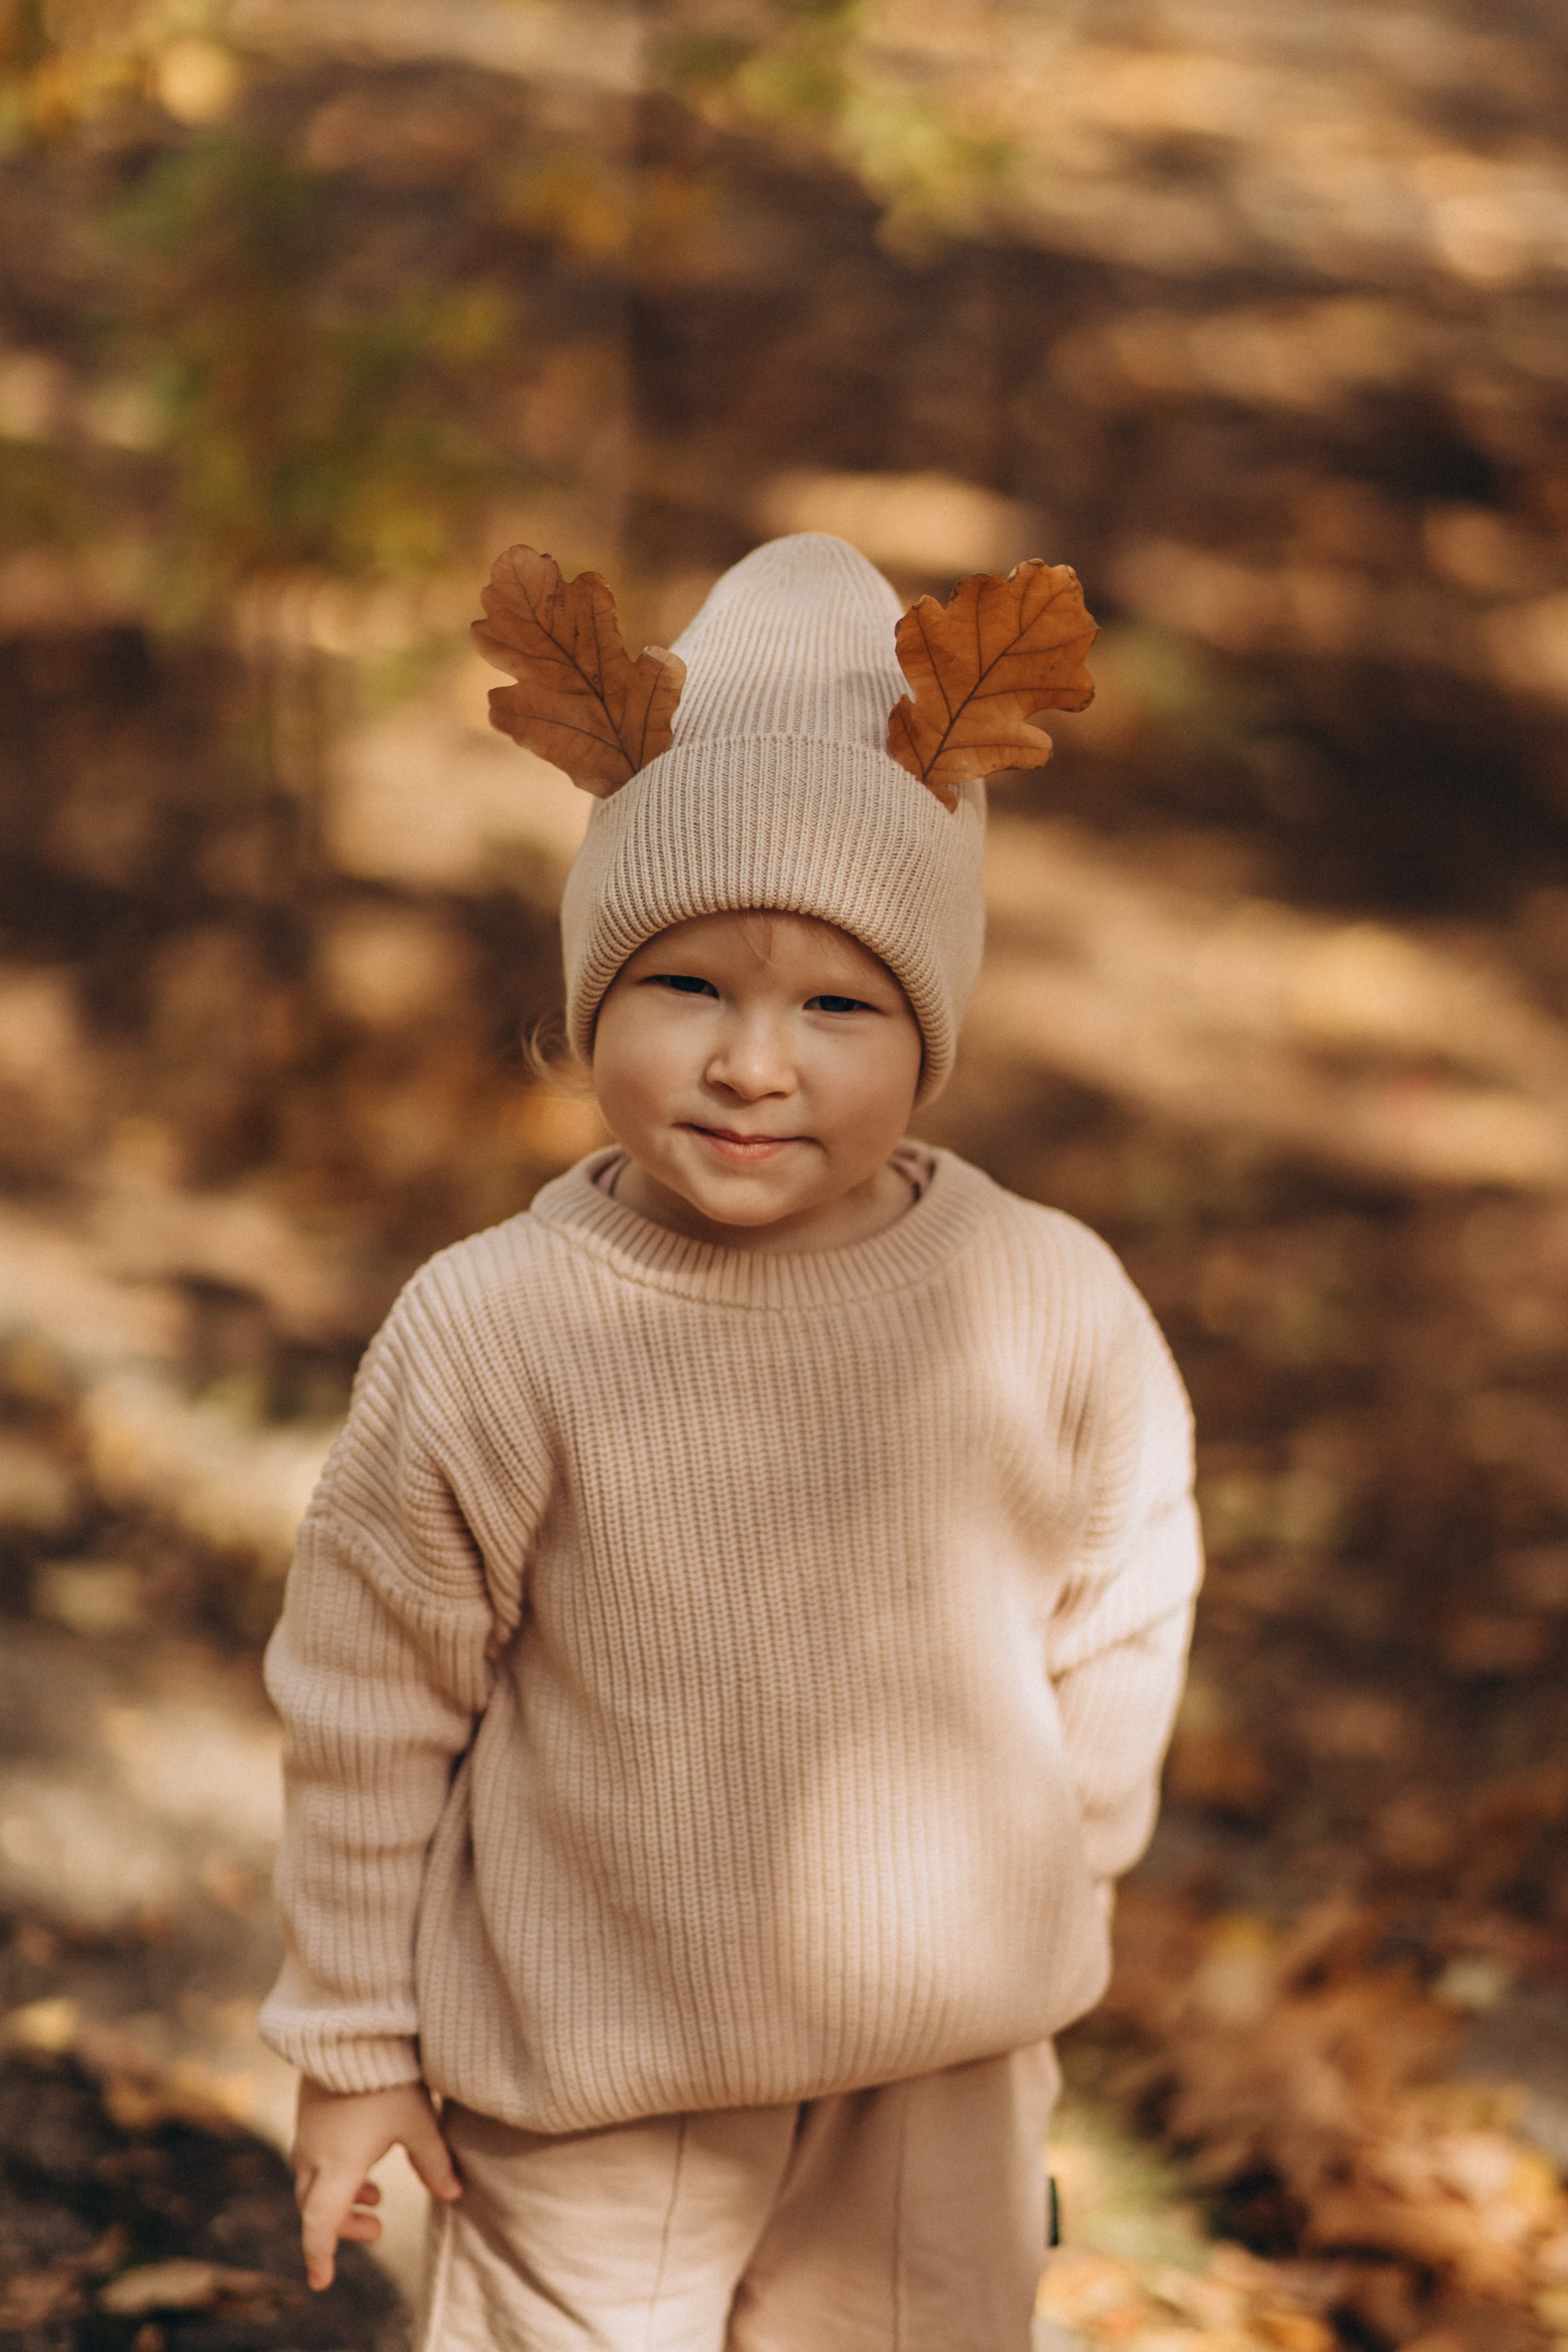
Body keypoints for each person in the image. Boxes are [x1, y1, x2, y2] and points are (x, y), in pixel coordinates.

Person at [259, 532, 1201, 2352]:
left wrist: (1057, 1877)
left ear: (927, 1029)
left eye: (838, 1005)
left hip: (939, 2073)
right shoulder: (497, 1329)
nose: (755, 1064)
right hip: (594, 2075)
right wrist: (356, 2047)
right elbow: (371, 1702)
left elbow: (1126, 1592)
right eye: (689, 986)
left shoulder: (1042, 1298)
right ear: (590, 993)